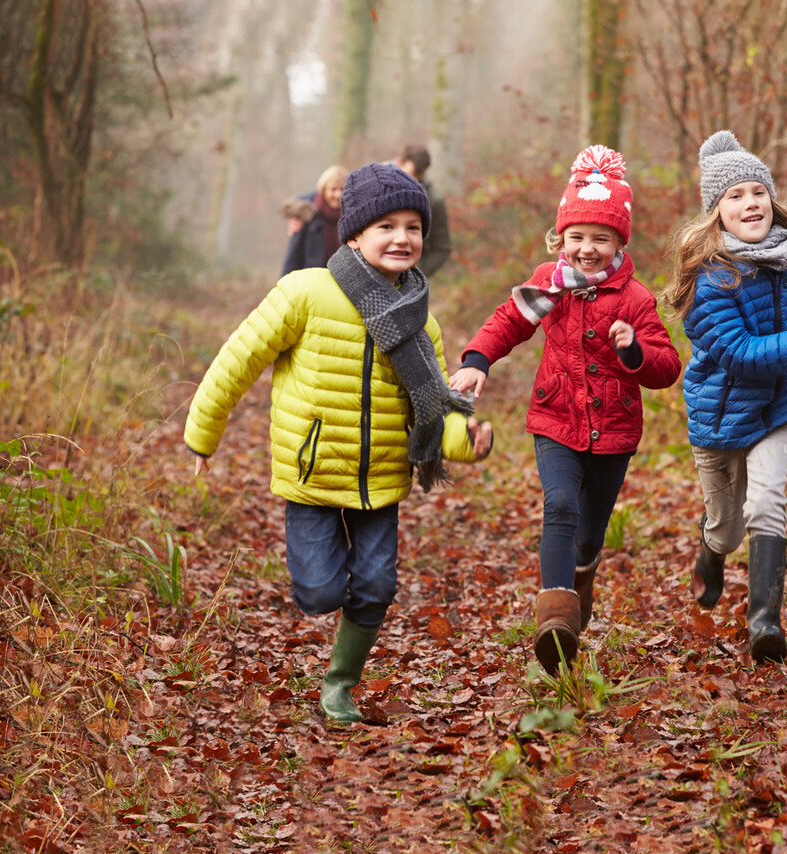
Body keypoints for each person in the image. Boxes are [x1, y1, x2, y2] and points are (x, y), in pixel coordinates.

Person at [185, 162, 493, 724]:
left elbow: (436, 408)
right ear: (354, 233)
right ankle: (326, 601)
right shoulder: (304, 293)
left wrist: (467, 436)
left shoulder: (422, 321)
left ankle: (339, 685)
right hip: (313, 474)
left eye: (413, 228)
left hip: (381, 479)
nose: (403, 238)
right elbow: (237, 361)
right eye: (386, 226)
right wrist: (203, 435)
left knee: (375, 587)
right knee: (320, 593)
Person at [450, 145, 681, 675]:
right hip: (556, 419)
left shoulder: (636, 299)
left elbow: (666, 367)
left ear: (619, 242)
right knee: (559, 506)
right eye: (577, 237)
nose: (587, 249)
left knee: (591, 530)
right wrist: (479, 359)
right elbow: (510, 319)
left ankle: (582, 577)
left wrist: (633, 351)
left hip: (615, 429)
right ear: (561, 239)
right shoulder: (549, 284)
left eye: (601, 238)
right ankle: (554, 614)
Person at [662, 130, 787, 664]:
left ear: (772, 199)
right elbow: (742, 353)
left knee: (766, 502)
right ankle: (712, 549)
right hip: (721, 415)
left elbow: (786, 338)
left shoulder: (786, 259)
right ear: (715, 212)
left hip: (777, 406)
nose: (750, 203)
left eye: (757, 192)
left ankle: (765, 621)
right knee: (727, 527)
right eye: (735, 196)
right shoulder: (709, 281)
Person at [394, 144, 452, 277]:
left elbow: (441, 248)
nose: (413, 180)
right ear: (399, 162)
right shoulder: (374, 184)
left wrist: (416, 273)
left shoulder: (434, 201)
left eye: (418, 175)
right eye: (410, 173)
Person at [279, 164, 348, 275]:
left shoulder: (352, 217)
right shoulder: (307, 214)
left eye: (342, 189)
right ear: (323, 190)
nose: (338, 194)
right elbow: (294, 255)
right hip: (310, 281)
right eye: (333, 189)